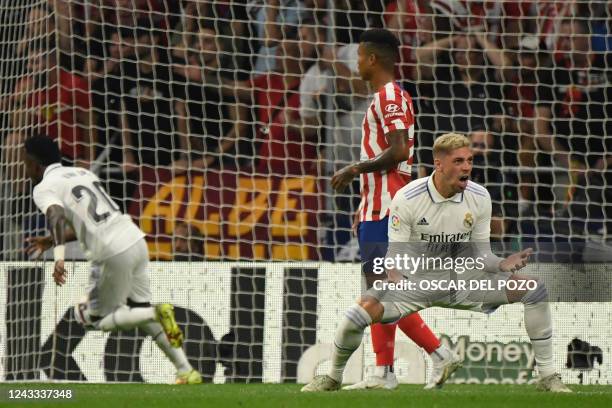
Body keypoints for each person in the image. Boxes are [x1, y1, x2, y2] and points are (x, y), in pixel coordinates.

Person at [302, 133, 571, 393]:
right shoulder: (408, 198)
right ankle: (333, 377)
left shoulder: (480, 197)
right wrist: (394, 278)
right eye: (458, 161)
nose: (467, 167)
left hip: (466, 281)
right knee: (357, 314)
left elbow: (483, 256)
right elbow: (394, 256)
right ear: (438, 164)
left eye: (469, 161)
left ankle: (547, 375)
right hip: (418, 283)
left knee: (534, 289)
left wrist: (502, 264)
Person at [323, 28, 459, 391]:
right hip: (376, 207)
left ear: (371, 58)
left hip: (387, 210)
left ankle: (438, 353)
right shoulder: (384, 97)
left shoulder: (390, 96)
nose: (355, 64)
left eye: (358, 57)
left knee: (383, 294)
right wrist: (364, 202)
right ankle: (383, 372)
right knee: (381, 291)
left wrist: (355, 170)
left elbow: (400, 151)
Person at [22, 135, 202, 385]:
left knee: (93, 319)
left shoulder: (43, 188)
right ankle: (185, 370)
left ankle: (156, 313)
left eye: (24, 162)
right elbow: (90, 219)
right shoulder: (83, 174)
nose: (24, 168)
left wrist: (59, 258)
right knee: (140, 312)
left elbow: (56, 216)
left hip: (109, 251)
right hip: (133, 239)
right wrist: (50, 240)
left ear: (34, 162)